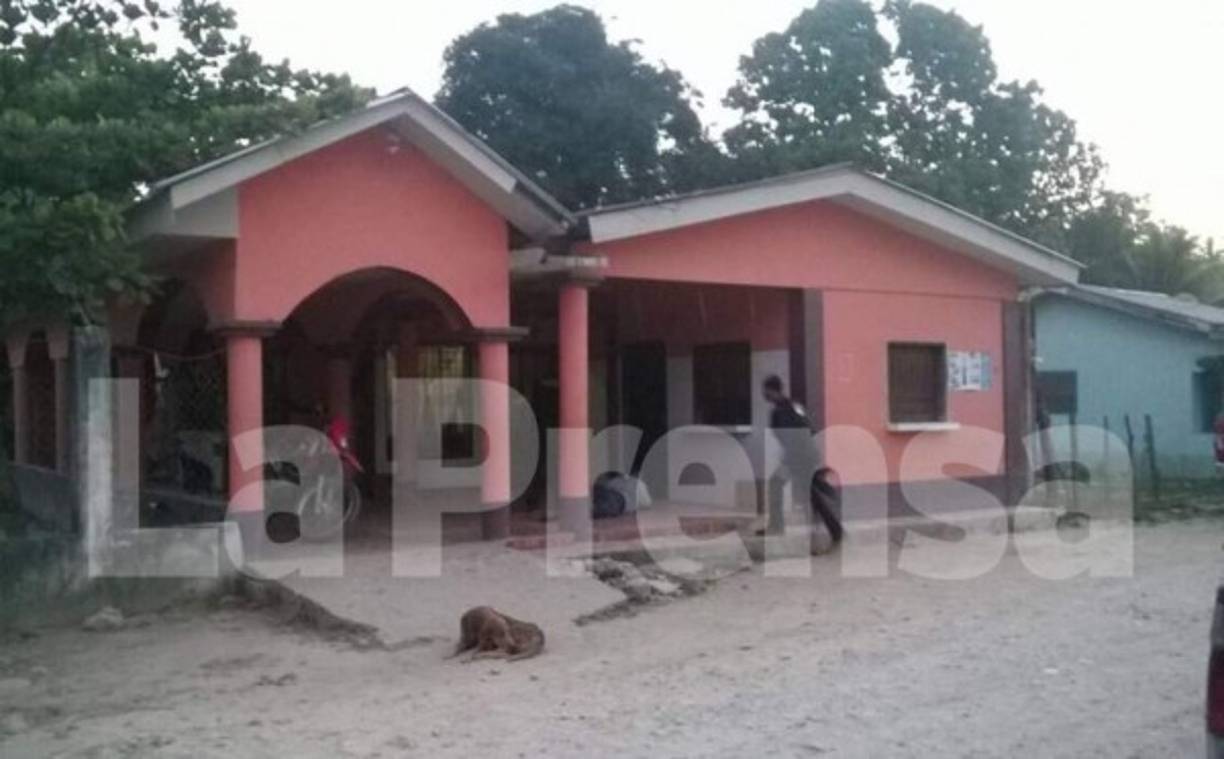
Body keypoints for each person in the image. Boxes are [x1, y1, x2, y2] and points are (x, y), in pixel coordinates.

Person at [760, 375, 844, 546]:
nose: (764, 394)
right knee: (812, 495)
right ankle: (835, 531)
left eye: (765, 390)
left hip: (798, 457)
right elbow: (809, 428)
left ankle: (778, 526)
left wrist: (791, 458)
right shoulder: (794, 405)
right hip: (805, 455)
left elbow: (793, 436)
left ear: (772, 390)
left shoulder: (780, 411)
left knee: (779, 484)